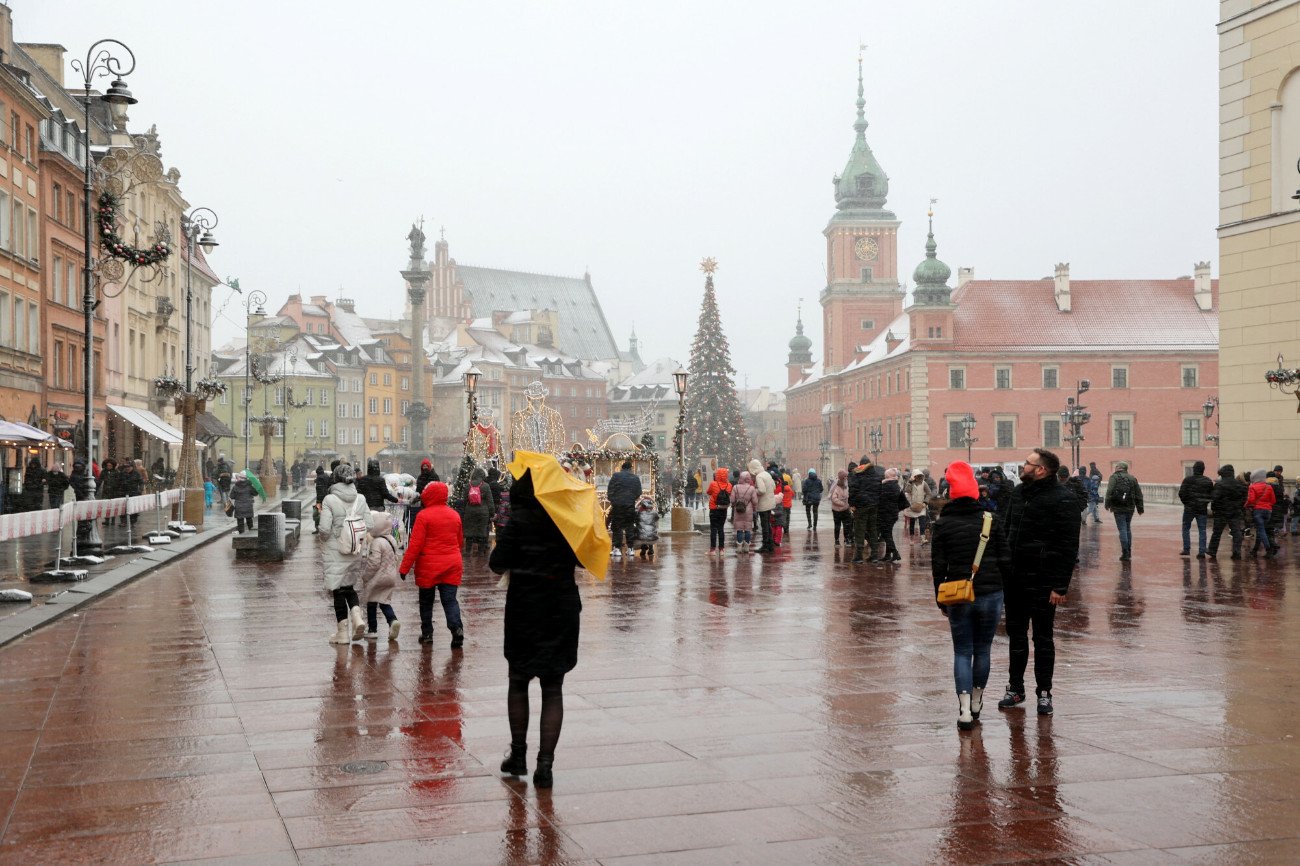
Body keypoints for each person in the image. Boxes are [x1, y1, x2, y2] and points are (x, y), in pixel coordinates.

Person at [489, 460, 585, 789]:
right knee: (553, 687)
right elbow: (585, 557)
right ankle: (545, 766)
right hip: (560, 607)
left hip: (525, 608)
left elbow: (496, 563)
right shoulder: (568, 520)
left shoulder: (518, 520)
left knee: (518, 681)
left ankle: (518, 756)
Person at [998, 448, 1080, 717]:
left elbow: (1068, 546)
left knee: (1043, 638)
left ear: (1041, 469)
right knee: (1017, 636)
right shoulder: (1018, 494)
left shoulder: (1064, 499)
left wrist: (1060, 585)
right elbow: (1006, 531)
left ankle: (1044, 692)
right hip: (1015, 579)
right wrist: (1003, 568)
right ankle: (1015, 688)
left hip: (1045, 582)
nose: (1024, 467)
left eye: (1028, 464)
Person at [931, 461, 1010, 730]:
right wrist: (1006, 592)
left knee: (962, 652)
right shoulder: (991, 520)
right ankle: (977, 701)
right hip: (991, 593)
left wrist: (939, 598)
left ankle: (964, 711)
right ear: (976, 492)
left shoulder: (943, 525)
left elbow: (938, 566)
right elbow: (1005, 560)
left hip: (958, 594)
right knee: (983, 649)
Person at [400, 480, 465, 646]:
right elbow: (459, 542)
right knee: (450, 600)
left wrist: (404, 568)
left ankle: (427, 633)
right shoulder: (454, 515)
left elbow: (415, 545)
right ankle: (456, 628)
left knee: (426, 602)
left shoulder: (423, 516)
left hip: (428, 566)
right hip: (452, 563)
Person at [319, 463, 374, 644]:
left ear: (336, 479)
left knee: (338, 590)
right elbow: (370, 524)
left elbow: (325, 529)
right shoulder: (361, 499)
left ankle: (342, 634)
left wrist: (329, 536)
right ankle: (357, 618)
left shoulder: (329, 500)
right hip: (354, 550)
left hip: (336, 551)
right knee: (349, 587)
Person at [357, 510, 401, 641]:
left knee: (371, 601)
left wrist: (366, 576)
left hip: (378, 577)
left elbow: (373, 563)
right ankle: (393, 621)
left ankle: (372, 630)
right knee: (384, 601)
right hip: (391, 576)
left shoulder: (376, 542)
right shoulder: (391, 540)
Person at [1104, 461, 1144, 562]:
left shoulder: (1114, 477)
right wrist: (1140, 508)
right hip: (1130, 507)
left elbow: (1109, 491)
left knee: (1122, 529)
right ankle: (1129, 551)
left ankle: (1125, 552)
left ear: (1119, 468)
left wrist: (1107, 503)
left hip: (1118, 507)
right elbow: (1139, 494)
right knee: (1127, 528)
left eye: (1116, 466)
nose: (1115, 467)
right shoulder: (1132, 478)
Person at [848, 456, 884, 563]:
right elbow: (880, 491)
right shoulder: (877, 476)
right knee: (873, 530)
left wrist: (852, 503)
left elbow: (853, 491)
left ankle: (859, 556)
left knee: (860, 530)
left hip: (861, 506)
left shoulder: (857, 475)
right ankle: (874, 555)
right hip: (874, 506)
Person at [1207, 464, 1247, 560]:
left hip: (1221, 512)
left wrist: (1215, 508)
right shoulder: (1239, 484)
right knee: (1236, 532)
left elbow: (1214, 498)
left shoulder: (1219, 485)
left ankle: (1212, 551)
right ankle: (1236, 552)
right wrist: (1238, 506)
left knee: (1217, 532)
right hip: (1235, 512)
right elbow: (1244, 498)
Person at [1177, 460, 1214, 558]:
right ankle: (1202, 551)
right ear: (1203, 470)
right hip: (1202, 509)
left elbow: (1181, 493)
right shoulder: (1208, 481)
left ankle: (1186, 549)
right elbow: (1211, 495)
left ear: (1194, 469)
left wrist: (1187, 503)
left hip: (1189, 508)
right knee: (1202, 530)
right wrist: (1205, 502)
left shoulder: (1187, 480)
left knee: (1186, 528)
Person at [606, 460, 641, 558]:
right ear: (631, 468)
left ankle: (617, 549)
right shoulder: (635, 478)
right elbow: (638, 492)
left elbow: (610, 490)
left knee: (617, 527)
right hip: (629, 505)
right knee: (629, 526)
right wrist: (631, 499)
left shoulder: (616, 476)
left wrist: (613, 500)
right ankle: (630, 549)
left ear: (622, 468)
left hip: (617, 505)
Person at [462, 467, 495, 554]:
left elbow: (464, 500)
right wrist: (492, 513)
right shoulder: (486, 486)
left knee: (469, 532)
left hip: (470, 511)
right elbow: (490, 501)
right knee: (482, 532)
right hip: (483, 512)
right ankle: (480, 553)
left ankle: (468, 551)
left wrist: (465, 511)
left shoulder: (468, 485)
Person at [1247, 469, 1278, 557]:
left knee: (1261, 530)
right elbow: (1273, 500)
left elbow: (1251, 500)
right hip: (1268, 511)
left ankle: (1269, 549)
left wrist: (1247, 506)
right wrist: (1266, 506)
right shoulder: (1269, 487)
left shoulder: (1252, 487)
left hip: (1258, 511)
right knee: (1261, 530)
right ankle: (1255, 550)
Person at [877, 468, 906, 562]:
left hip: (884, 513)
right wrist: (896, 509)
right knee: (888, 533)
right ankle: (888, 555)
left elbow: (879, 499)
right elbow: (904, 502)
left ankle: (895, 553)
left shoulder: (884, 485)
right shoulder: (897, 486)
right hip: (893, 514)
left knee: (886, 534)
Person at [747, 459, 776, 553]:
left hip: (763, 504)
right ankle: (770, 544)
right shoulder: (766, 474)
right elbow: (774, 486)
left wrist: (754, 491)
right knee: (768, 524)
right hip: (770, 502)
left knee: (764, 526)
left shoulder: (759, 476)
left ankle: (765, 545)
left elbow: (762, 490)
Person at [705, 467, 732, 554]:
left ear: (717, 475)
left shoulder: (713, 484)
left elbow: (708, 492)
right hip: (723, 509)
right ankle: (721, 549)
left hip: (714, 508)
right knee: (721, 529)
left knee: (713, 529)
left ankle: (712, 549)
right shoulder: (729, 485)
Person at [731, 470, 757, 553]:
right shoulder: (751, 488)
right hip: (748, 510)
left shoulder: (735, 487)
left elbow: (732, 500)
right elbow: (755, 501)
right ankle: (746, 548)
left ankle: (739, 548)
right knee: (747, 529)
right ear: (749, 479)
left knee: (739, 529)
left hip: (738, 509)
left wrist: (736, 503)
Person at [904, 470, 929, 539]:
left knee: (922, 522)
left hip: (922, 506)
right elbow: (907, 491)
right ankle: (911, 538)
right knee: (912, 523)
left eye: (919, 476)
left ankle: (923, 538)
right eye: (916, 476)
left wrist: (925, 502)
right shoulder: (910, 483)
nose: (918, 477)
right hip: (912, 506)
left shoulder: (924, 483)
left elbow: (929, 493)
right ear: (913, 476)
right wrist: (909, 482)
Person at [830, 468, 851, 546]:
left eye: (846, 477)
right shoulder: (836, 486)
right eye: (844, 477)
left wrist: (848, 502)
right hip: (836, 510)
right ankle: (837, 540)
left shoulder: (846, 486)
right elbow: (833, 498)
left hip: (845, 509)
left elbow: (848, 495)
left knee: (846, 525)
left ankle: (846, 539)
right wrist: (842, 503)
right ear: (842, 477)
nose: (846, 478)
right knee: (837, 525)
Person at [312, 465, 331, 534]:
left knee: (317, 513)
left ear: (318, 473)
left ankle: (318, 528)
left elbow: (320, 489)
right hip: (327, 497)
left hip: (320, 498)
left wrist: (319, 500)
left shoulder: (319, 478)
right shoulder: (326, 476)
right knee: (326, 513)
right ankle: (327, 527)